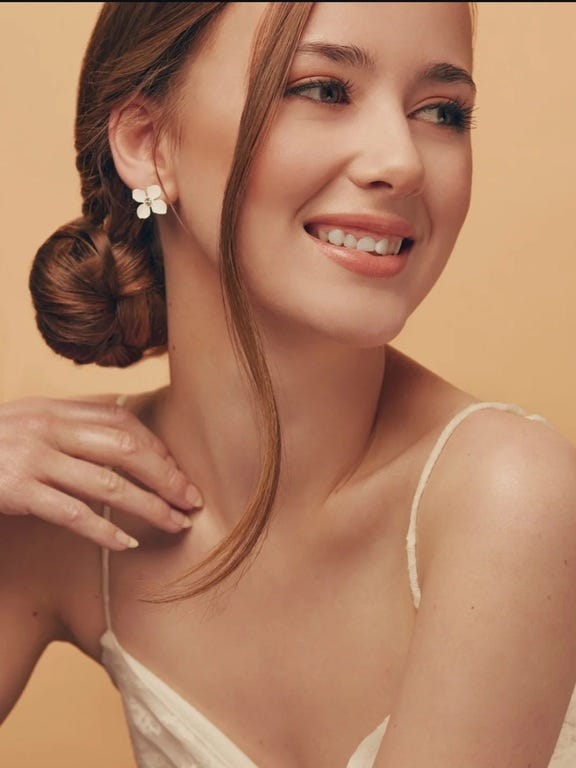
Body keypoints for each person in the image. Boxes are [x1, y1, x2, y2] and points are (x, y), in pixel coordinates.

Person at [1, 3, 576, 767]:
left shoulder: (508, 494)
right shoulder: (71, 500)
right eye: (323, 90)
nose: (403, 161)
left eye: (442, 111)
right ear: (147, 143)